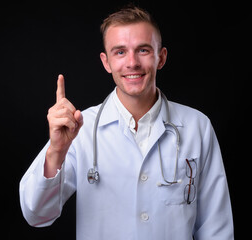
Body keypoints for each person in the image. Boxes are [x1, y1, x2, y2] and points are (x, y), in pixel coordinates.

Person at [19, 5, 234, 240]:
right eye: (120, 52)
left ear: (160, 57)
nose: (132, 63)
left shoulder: (197, 127)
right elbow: (36, 214)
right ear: (106, 61)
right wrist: (57, 150)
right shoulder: (81, 127)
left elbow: (216, 227)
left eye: (143, 50)